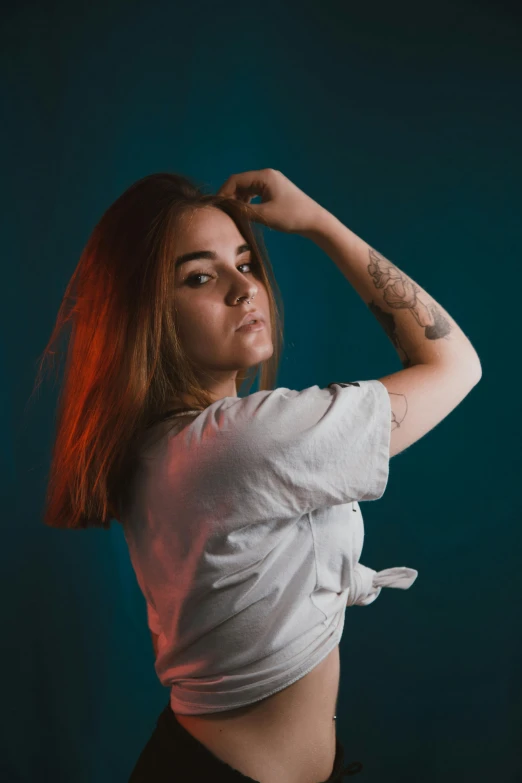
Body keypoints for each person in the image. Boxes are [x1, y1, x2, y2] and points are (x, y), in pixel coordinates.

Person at [37, 168, 481, 782]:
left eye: (245, 262)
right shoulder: (236, 443)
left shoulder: (165, 447)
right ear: (148, 315)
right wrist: (320, 225)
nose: (243, 288)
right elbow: (455, 364)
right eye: (200, 276)